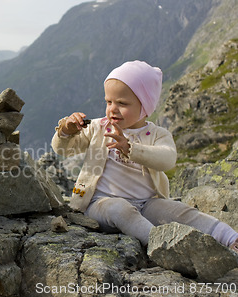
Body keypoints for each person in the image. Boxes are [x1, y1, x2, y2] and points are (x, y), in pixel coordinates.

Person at [51, 60, 238, 253]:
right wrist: (66, 131)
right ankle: (162, 248)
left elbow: (167, 159)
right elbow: (64, 150)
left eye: (122, 103)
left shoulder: (158, 134)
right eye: (109, 101)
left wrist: (131, 148)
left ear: (145, 105)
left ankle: (229, 237)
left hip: (146, 204)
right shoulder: (98, 127)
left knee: (180, 211)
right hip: (100, 204)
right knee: (120, 209)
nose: (112, 109)